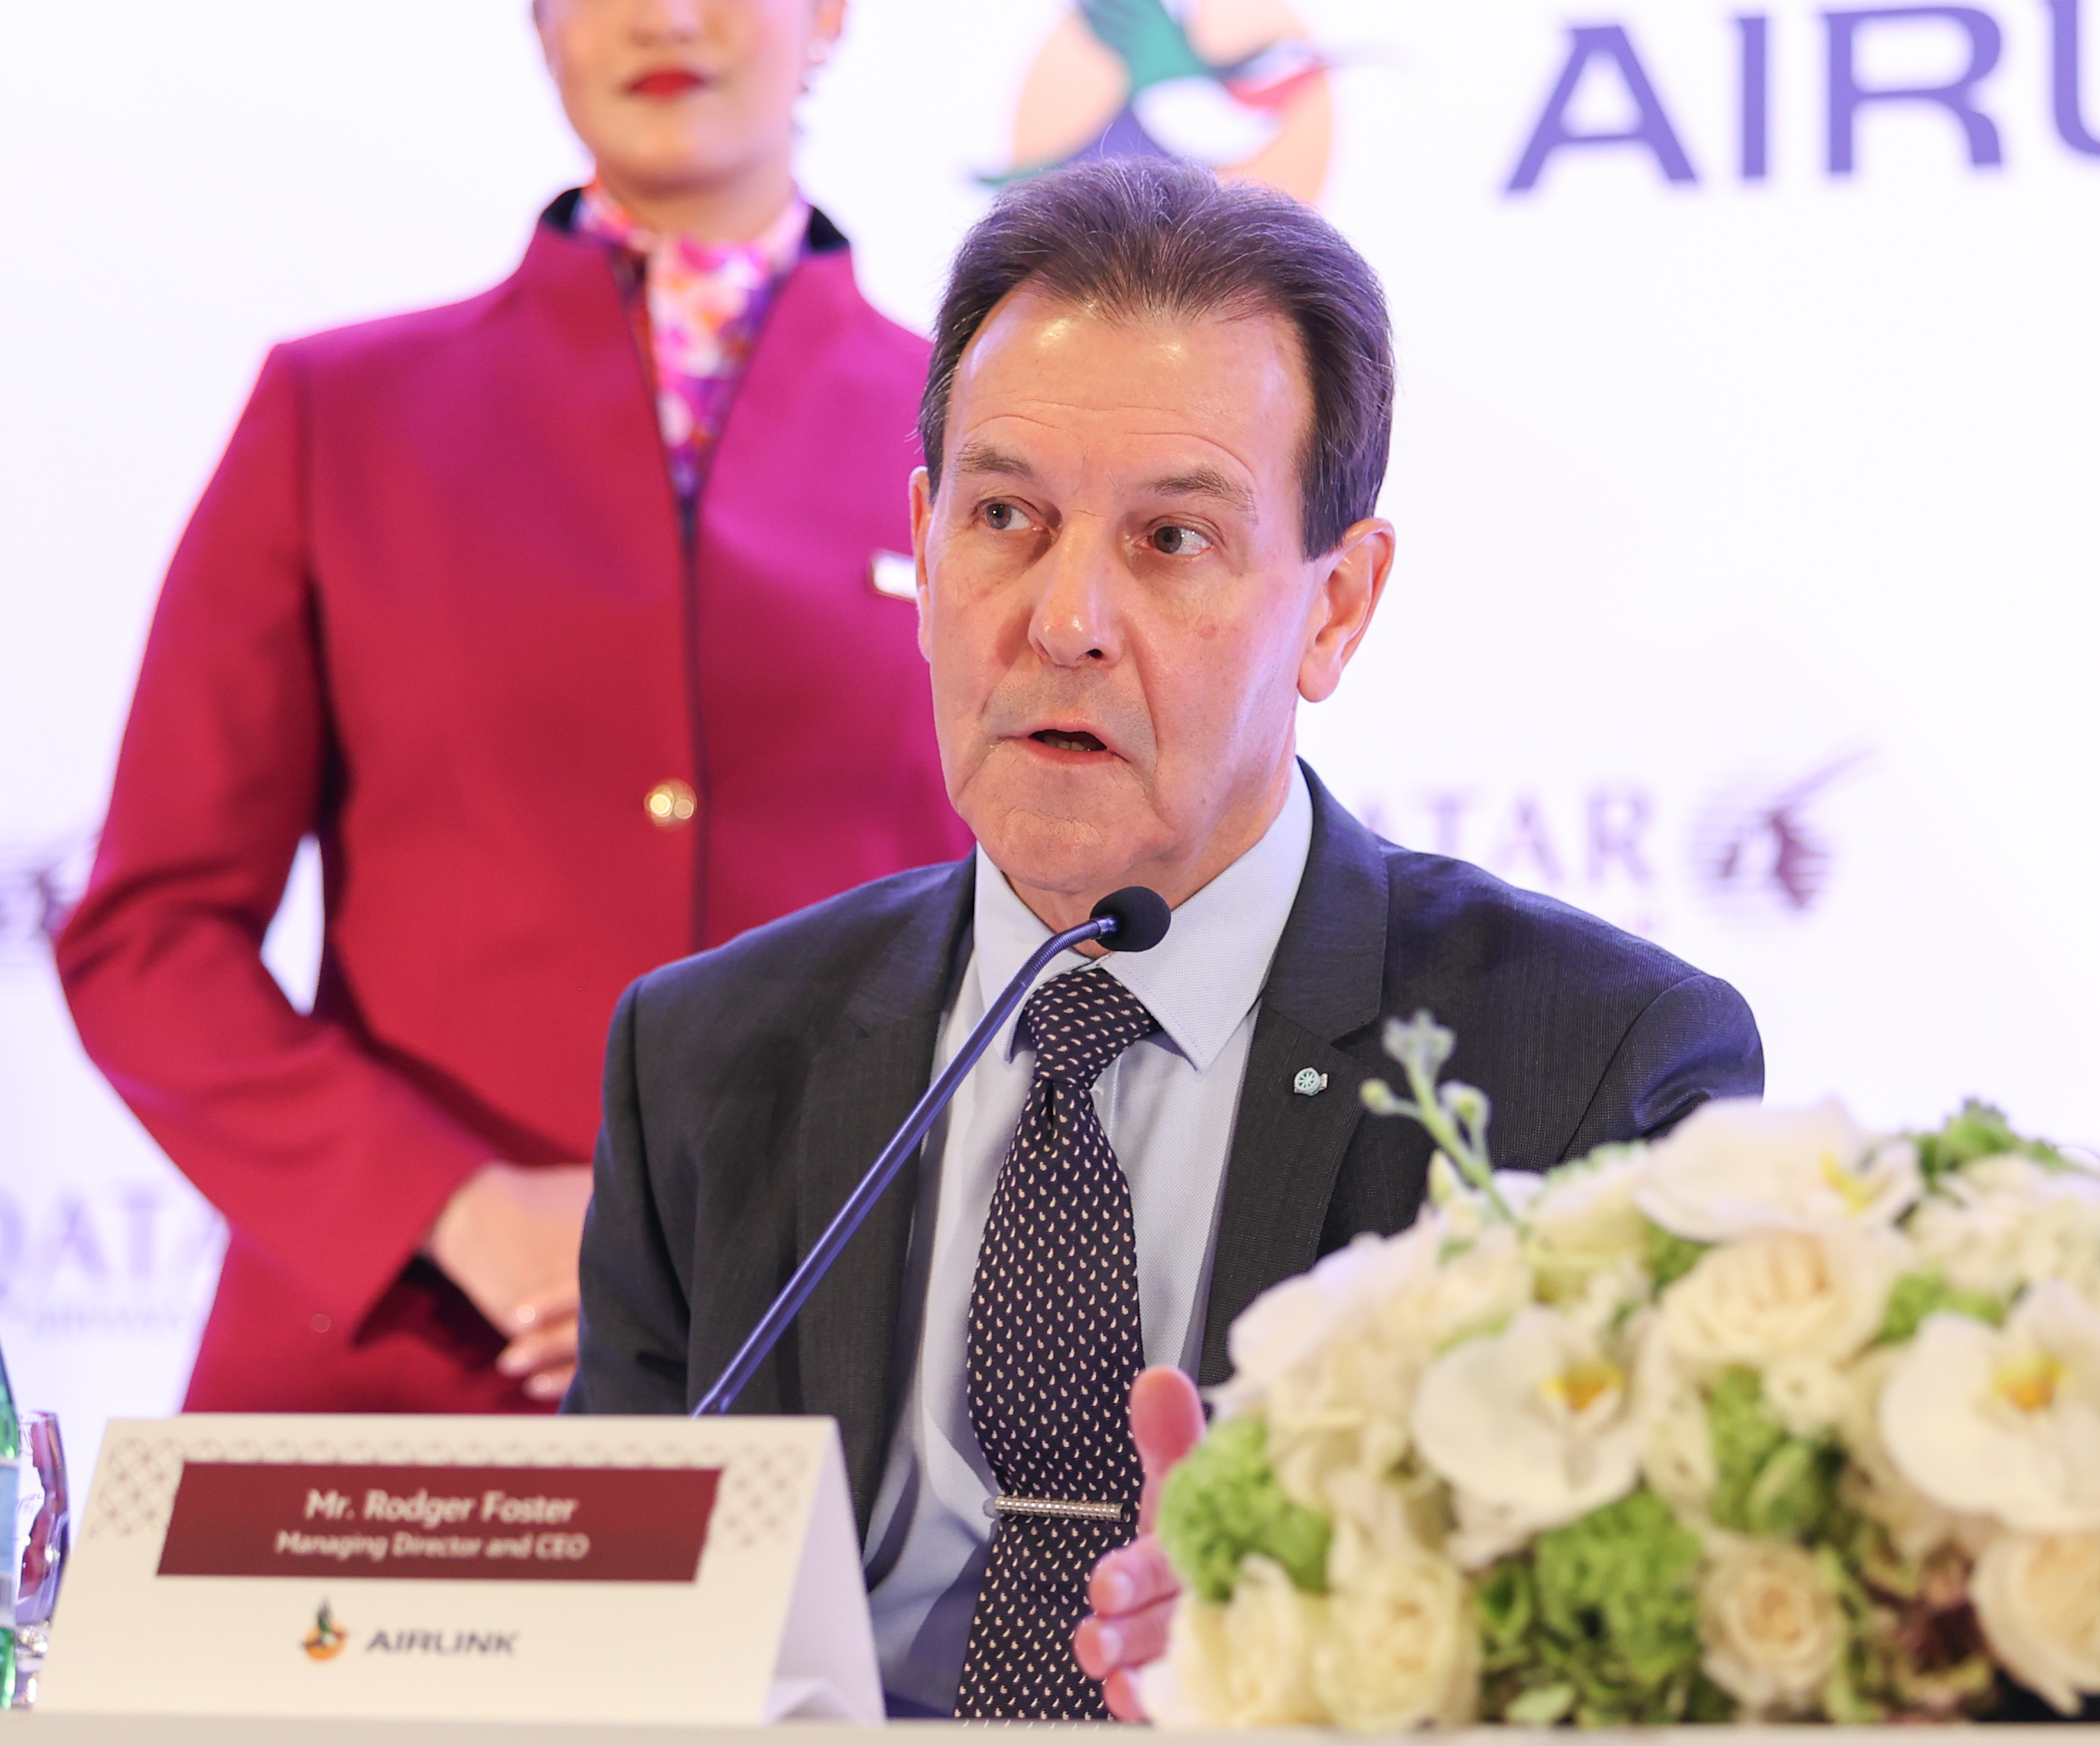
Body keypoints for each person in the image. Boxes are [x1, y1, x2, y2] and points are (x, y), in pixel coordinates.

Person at [570, 157, 1765, 1719]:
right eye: (1005, 517)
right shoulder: (709, 1055)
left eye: (1170, 540)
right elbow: (608, 1641)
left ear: (1336, 608)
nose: (1063, 619)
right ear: (924, 546)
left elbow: (1659, 1670)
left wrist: (1321, 1652)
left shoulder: (1588, 1071)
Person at [58, 0, 962, 1419]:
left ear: (829, 8)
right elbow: (148, 939)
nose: (663, 12)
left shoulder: (985, 438)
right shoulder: (340, 417)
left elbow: (1079, 923)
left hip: (852, 1364)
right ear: (537, 20)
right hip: (406, 1372)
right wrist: (453, 1209)